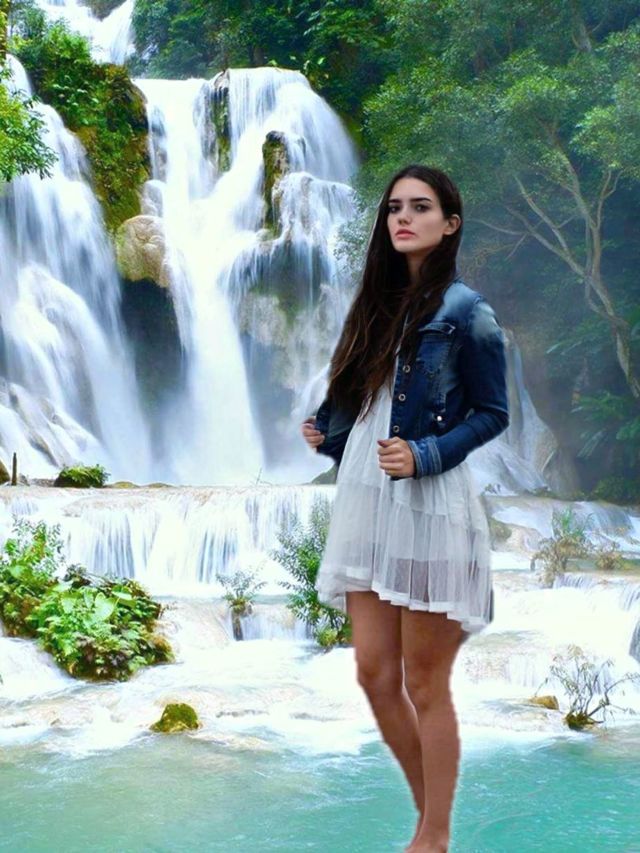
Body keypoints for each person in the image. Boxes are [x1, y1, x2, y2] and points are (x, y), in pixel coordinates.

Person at [300, 164, 509, 853]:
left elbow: (492, 413)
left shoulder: (467, 311)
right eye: (394, 207)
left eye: (420, 207)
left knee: (424, 679)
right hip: (366, 498)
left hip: (428, 498)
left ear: (450, 224)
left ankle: (434, 834)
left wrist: (426, 454)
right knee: (373, 672)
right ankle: (429, 820)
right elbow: (361, 401)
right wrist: (327, 431)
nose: (403, 218)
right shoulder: (376, 304)